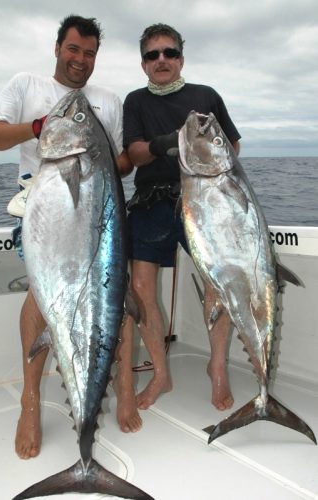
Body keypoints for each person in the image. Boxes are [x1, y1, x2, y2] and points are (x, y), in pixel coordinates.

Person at [0, 15, 132, 459]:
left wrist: (98, 155)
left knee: (112, 297)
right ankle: (30, 402)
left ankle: (117, 389)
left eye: (89, 53)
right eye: (73, 49)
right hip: (44, 213)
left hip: (100, 218)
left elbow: (122, 163)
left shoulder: (108, 100)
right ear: (57, 48)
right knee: (40, 298)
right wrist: (39, 127)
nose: (80, 60)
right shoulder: (26, 85)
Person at [113, 23, 241, 433]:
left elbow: (232, 145)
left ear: (181, 58)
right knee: (140, 289)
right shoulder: (134, 102)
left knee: (217, 285)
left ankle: (216, 365)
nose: (161, 60)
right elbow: (131, 155)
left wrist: (203, 152)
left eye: (168, 53)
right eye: (153, 55)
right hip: (152, 201)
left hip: (204, 199)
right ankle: (162, 374)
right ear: (144, 64)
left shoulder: (206, 96)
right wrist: (168, 143)